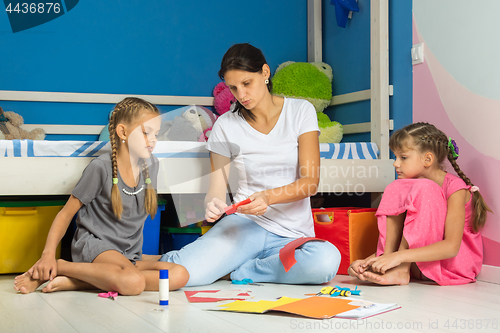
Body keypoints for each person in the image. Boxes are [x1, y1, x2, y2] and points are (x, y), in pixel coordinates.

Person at [157, 43, 341, 286]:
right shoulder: (225, 125)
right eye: (233, 88)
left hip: (291, 234)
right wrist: (213, 205)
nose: (241, 95)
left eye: (247, 83)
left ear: (265, 73)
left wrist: (267, 198)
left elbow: (310, 183)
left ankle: (241, 270)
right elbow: (216, 188)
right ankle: (167, 261)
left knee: (323, 262)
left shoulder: (300, 111)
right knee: (182, 275)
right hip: (243, 226)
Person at [14, 97, 189, 295]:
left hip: (128, 255)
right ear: (123, 132)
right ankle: (60, 266)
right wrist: (47, 256)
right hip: (95, 247)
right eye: (146, 132)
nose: (154, 140)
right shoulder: (101, 168)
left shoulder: (152, 164)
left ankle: (77, 281)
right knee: (134, 283)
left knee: (180, 274)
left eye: (156, 133)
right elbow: (65, 214)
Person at [348, 122, 491, 286]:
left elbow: (451, 247)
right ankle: (392, 267)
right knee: (396, 186)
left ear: (427, 159)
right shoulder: (414, 187)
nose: (395, 163)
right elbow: (413, 234)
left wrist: (398, 257)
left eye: (403, 157)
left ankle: (400, 270)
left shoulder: (455, 188)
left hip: (452, 267)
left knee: (423, 187)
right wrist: (371, 262)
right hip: (419, 263)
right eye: (395, 157)